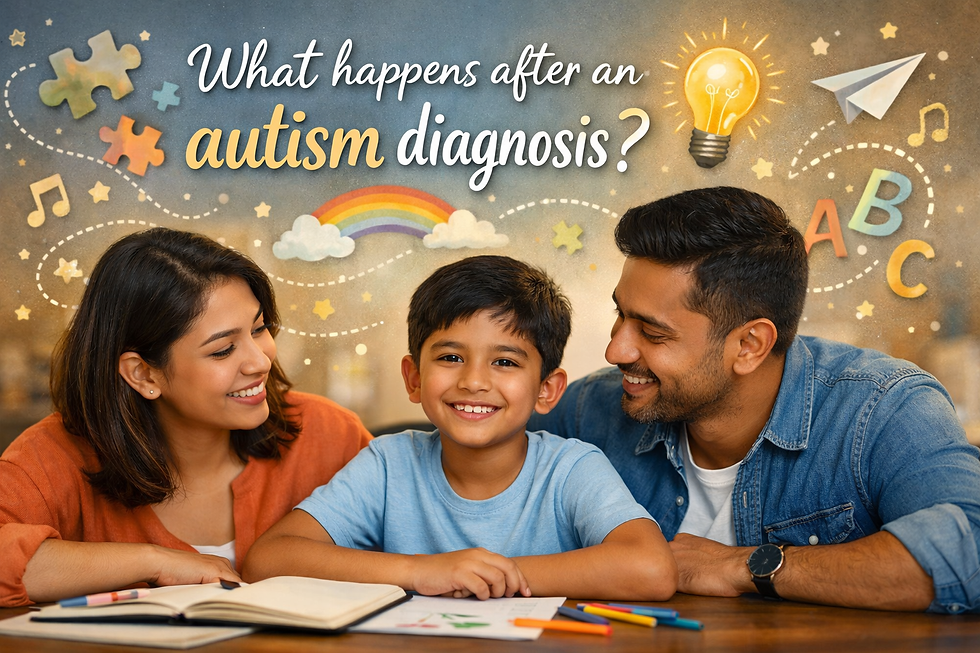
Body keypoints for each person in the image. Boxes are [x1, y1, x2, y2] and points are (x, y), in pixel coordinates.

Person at [527, 186, 980, 614]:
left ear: (749, 345)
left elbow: (971, 548)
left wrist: (744, 566)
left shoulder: (884, 407)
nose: (616, 351)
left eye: (652, 332)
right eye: (619, 316)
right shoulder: (591, 409)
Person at [244, 255, 677, 600]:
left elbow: (651, 569)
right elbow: (269, 559)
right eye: (450, 357)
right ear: (414, 378)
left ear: (547, 389)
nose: (473, 381)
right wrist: (422, 570)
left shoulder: (572, 468)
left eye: (505, 362)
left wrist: (487, 574)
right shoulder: (388, 463)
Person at [0, 227, 372, 607]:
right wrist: (153, 561)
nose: (261, 361)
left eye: (259, 329)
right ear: (143, 373)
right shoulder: (50, 458)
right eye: (223, 350)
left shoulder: (330, 433)